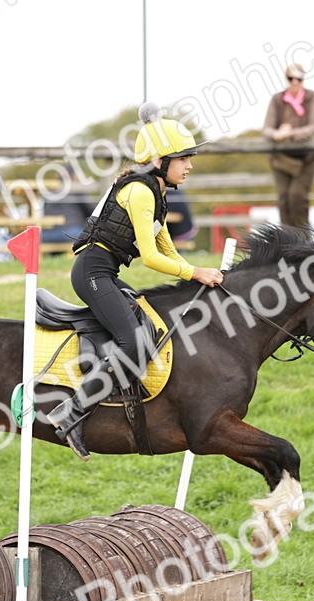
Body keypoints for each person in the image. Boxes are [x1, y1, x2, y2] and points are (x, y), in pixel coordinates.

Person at [47, 103, 225, 461]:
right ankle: (69, 413)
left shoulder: (156, 191)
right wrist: (194, 273)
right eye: (183, 158)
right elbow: (150, 257)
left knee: (150, 327)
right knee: (132, 341)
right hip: (92, 273)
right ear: (161, 160)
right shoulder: (141, 192)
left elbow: (168, 247)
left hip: (105, 273)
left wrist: (198, 272)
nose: (190, 165)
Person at [262, 64, 314, 229]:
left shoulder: (311, 97)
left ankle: (304, 242)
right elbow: (267, 128)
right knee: (283, 200)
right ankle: (287, 243)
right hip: (281, 158)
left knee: (297, 197)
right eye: (290, 78)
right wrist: (276, 134)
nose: (294, 82)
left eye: (299, 78)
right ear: (286, 79)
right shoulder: (277, 99)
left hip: (306, 158)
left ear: (303, 79)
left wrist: (291, 133)